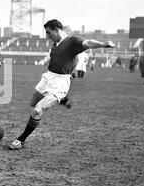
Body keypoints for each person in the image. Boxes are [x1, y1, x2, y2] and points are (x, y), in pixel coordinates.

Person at [9, 19, 115, 150]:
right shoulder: (55, 45)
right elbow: (74, 59)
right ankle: (63, 100)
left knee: (37, 110)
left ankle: (21, 140)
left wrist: (104, 44)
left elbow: (87, 43)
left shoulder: (72, 41)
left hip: (59, 82)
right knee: (33, 102)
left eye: (49, 32)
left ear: (56, 29)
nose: (47, 36)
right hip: (47, 77)